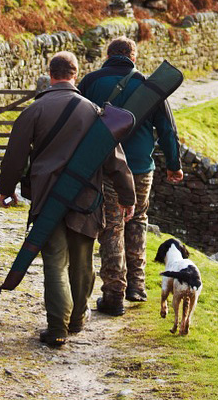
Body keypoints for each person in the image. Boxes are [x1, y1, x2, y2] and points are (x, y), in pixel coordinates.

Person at [0, 51, 136, 347]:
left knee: (55, 262)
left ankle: (58, 326)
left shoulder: (34, 110)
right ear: (75, 74)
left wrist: (6, 189)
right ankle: (76, 319)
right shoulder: (95, 112)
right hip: (86, 199)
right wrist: (128, 197)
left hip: (47, 198)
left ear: (51, 74)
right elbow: (116, 161)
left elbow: (15, 156)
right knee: (83, 263)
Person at [78, 36, 183, 315]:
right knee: (137, 220)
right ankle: (136, 286)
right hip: (140, 167)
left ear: (108, 55)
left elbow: (76, 120)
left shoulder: (90, 82)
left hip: (106, 166)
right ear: (133, 57)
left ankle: (114, 293)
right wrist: (174, 165)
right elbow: (167, 130)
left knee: (112, 225)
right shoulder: (149, 86)